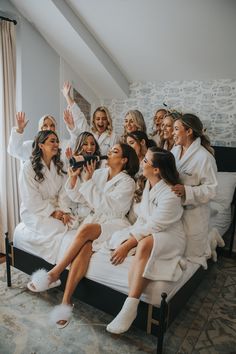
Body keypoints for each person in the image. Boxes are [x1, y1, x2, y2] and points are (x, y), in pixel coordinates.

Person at [27, 143, 140, 328]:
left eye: (115, 151)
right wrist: (74, 180)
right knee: (85, 247)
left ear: (124, 160)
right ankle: (66, 301)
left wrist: (88, 183)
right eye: (111, 150)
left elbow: (111, 207)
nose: (109, 152)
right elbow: (79, 196)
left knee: (86, 230)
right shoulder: (100, 173)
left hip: (114, 222)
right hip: (97, 219)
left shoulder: (128, 182)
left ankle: (55, 272)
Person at [106, 147, 186, 334]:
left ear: (156, 169)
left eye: (146, 161)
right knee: (140, 241)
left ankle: (130, 307)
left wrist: (127, 245)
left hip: (172, 236)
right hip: (152, 230)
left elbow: (155, 225)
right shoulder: (149, 185)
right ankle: (130, 305)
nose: (142, 162)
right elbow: (144, 219)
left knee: (144, 243)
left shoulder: (170, 194)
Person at [13, 130, 74, 264]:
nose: (56, 144)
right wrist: (53, 213)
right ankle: (55, 261)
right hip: (34, 211)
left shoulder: (59, 165)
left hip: (57, 207)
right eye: (52, 141)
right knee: (58, 228)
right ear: (41, 145)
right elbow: (31, 199)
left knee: (71, 222)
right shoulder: (28, 168)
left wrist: (63, 211)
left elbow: (64, 192)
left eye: (57, 141)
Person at [171, 113, 218, 267]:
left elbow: (211, 189)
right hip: (175, 210)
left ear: (189, 131)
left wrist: (187, 191)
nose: (173, 133)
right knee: (173, 250)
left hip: (194, 214)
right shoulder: (175, 151)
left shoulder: (205, 158)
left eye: (176, 129)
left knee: (192, 256)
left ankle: (210, 239)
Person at [62, 82, 119, 155]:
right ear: (94, 121)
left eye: (104, 119)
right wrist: (67, 96)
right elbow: (79, 117)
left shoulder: (114, 137)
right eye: (98, 119)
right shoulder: (89, 133)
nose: (101, 121)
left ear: (108, 121)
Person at [7, 111, 77, 162]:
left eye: (52, 125)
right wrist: (19, 130)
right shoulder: (33, 147)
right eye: (45, 125)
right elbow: (14, 151)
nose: (49, 128)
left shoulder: (62, 145)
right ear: (40, 128)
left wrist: (72, 127)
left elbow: (76, 144)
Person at [65, 131, 101, 228]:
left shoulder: (102, 164)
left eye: (92, 144)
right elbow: (76, 196)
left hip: (99, 209)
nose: (90, 147)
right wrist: (73, 177)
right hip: (83, 212)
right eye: (85, 144)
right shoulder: (76, 168)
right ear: (79, 146)